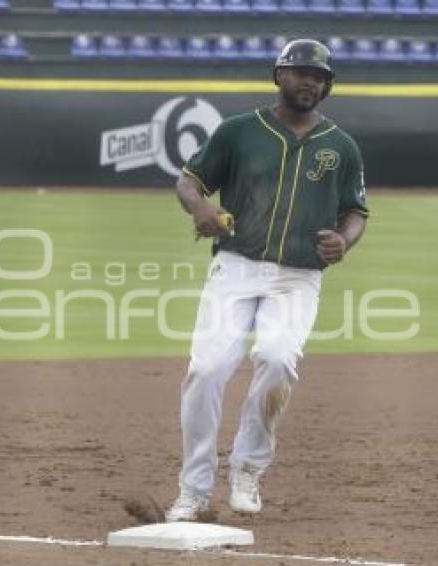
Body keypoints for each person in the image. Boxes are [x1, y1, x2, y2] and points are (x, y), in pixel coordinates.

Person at [165, 39, 369, 521]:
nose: (309, 81)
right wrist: (202, 209)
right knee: (207, 369)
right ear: (278, 75)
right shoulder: (239, 132)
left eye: (318, 76)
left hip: (299, 277)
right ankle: (193, 489)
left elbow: (356, 212)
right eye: (300, 72)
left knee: (278, 360)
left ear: (327, 86)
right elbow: (189, 182)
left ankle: (247, 469)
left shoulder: (341, 146)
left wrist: (345, 241)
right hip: (235, 267)